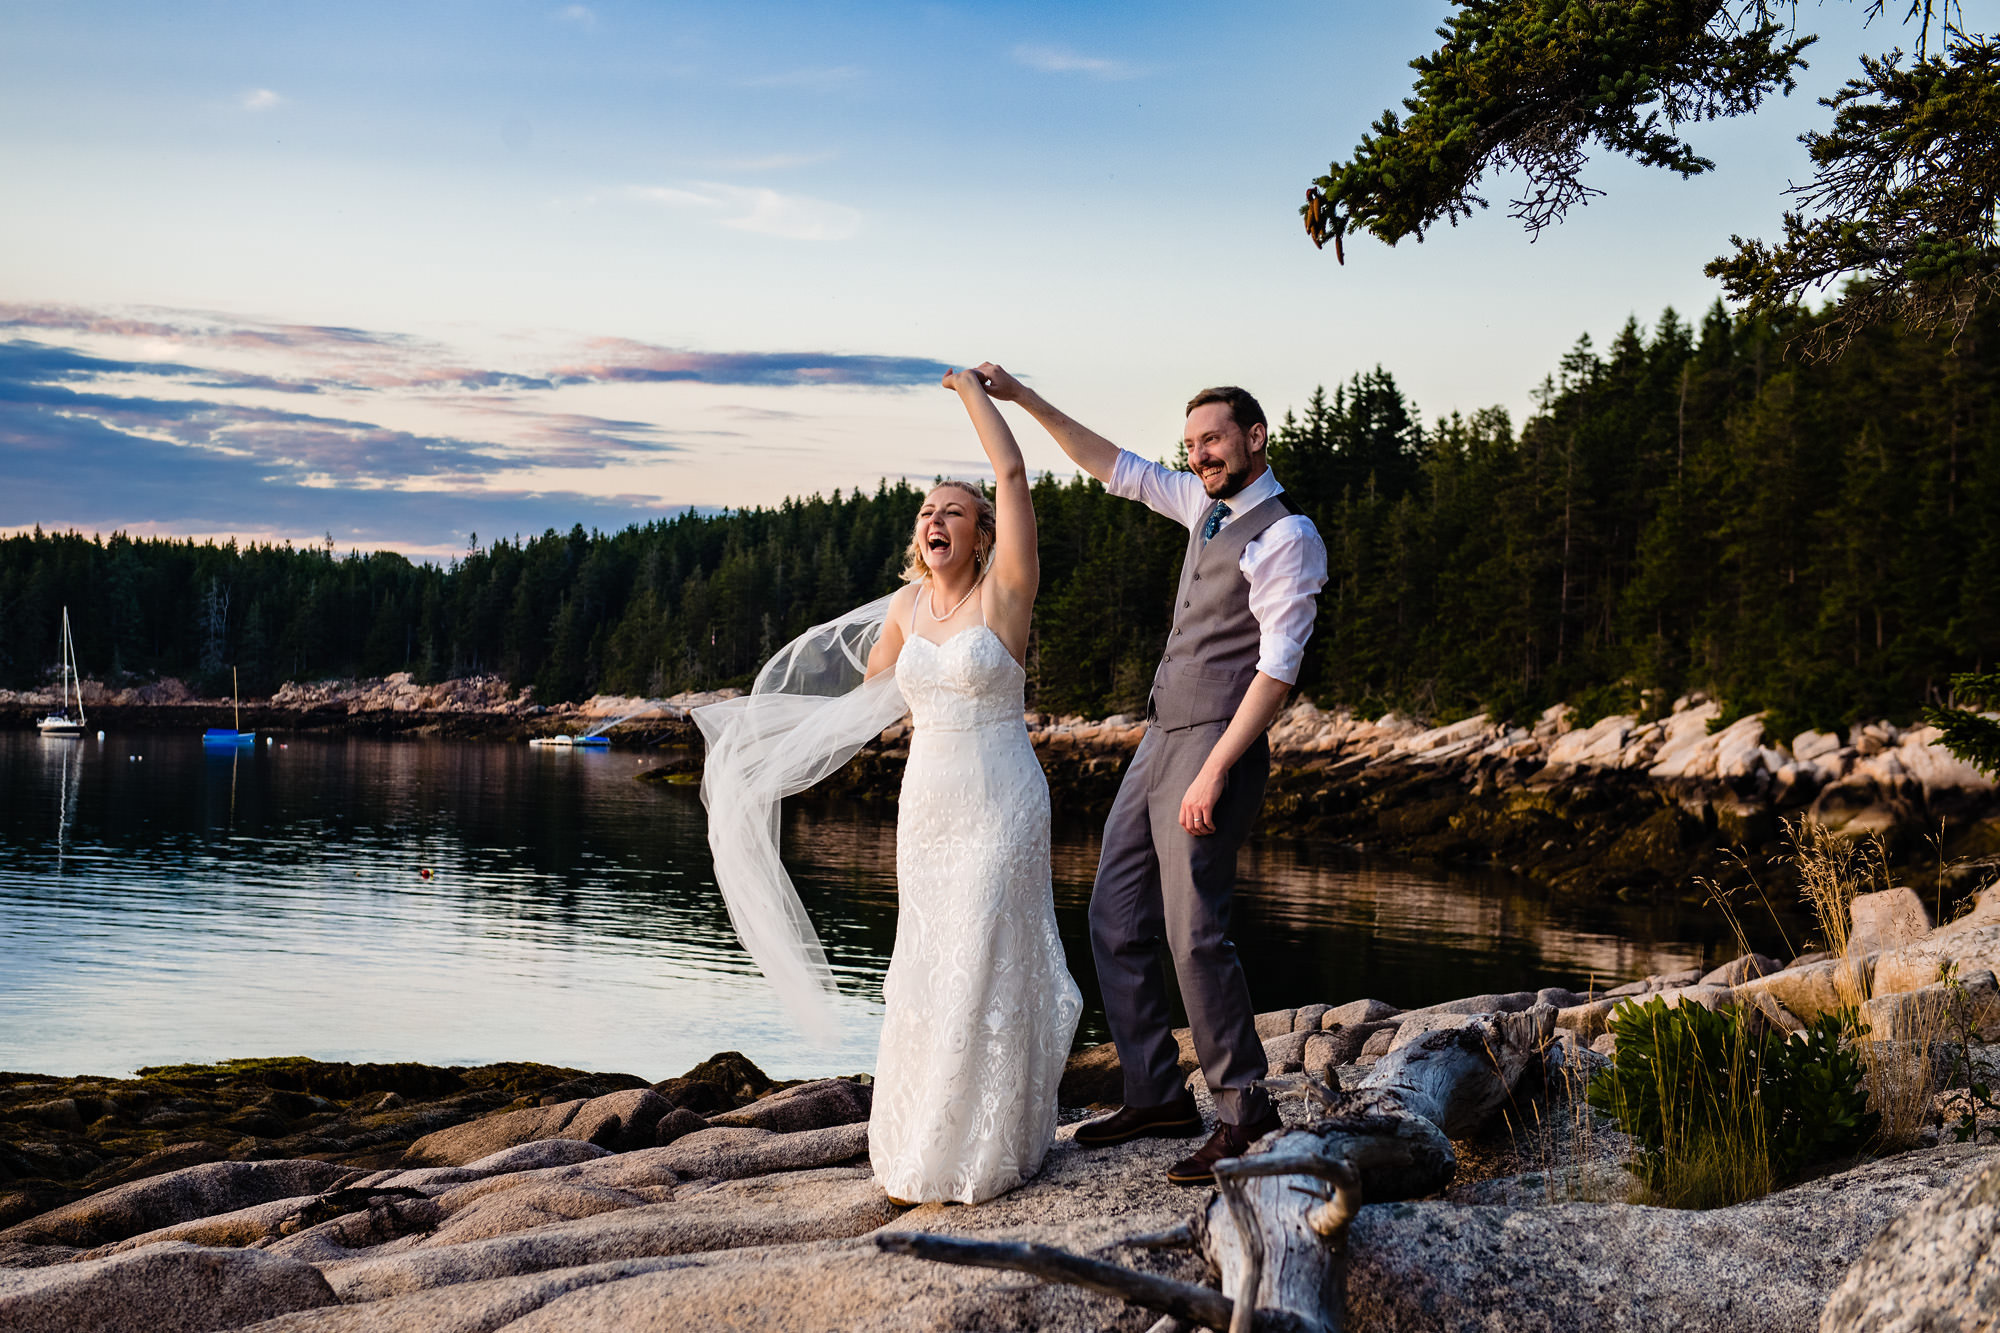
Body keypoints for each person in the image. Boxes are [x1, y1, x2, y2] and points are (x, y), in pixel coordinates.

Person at [694, 367, 1080, 1207]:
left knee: (985, 959)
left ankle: (986, 1142)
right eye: (926, 512)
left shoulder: (1006, 595)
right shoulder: (905, 610)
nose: (935, 520)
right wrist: (765, 749)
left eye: (953, 511)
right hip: (928, 804)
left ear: (982, 533)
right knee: (930, 965)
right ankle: (918, 1143)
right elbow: (867, 703)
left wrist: (973, 392)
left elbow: (1012, 475)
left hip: (1002, 796)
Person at [970, 362, 1328, 1187]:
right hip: (1159, 736)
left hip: (1215, 743)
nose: (1200, 453)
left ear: (1255, 437)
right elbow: (1113, 465)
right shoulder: (1203, 507)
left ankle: (1244, 1110)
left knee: (1195, 929)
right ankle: (1156, 1092)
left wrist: (1213, 770)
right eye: (1192, 442)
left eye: (1214, 439)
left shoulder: (1287, 535)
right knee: (1114, 911)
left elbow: (1277, 671)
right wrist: (1023, 396)